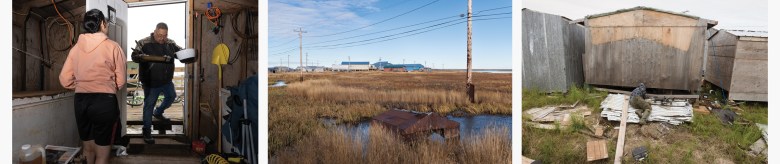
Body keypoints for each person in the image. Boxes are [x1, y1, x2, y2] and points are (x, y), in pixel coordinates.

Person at [59, 9, 125, 164]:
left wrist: (82, 84)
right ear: (102, 23)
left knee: (88, 149)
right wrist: (106, 86)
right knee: (102, 155)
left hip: (81, 101)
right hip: (104, 102)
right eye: (106, 22)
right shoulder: (113, 47)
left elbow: (64, 79)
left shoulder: (75, 49)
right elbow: (121, 81)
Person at [131, 22, 182, 144]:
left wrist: (186, 53)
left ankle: (158, 112)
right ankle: (146, 131)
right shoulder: (144, 42)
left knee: (171, 96)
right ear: (154, 32)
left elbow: (180, 52)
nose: (162, 38)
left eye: (164, 35)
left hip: (166, 81)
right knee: (149, 105)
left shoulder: (170, 43)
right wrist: (139, 56)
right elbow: (134, 56)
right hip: (151, 81)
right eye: (159, 35)